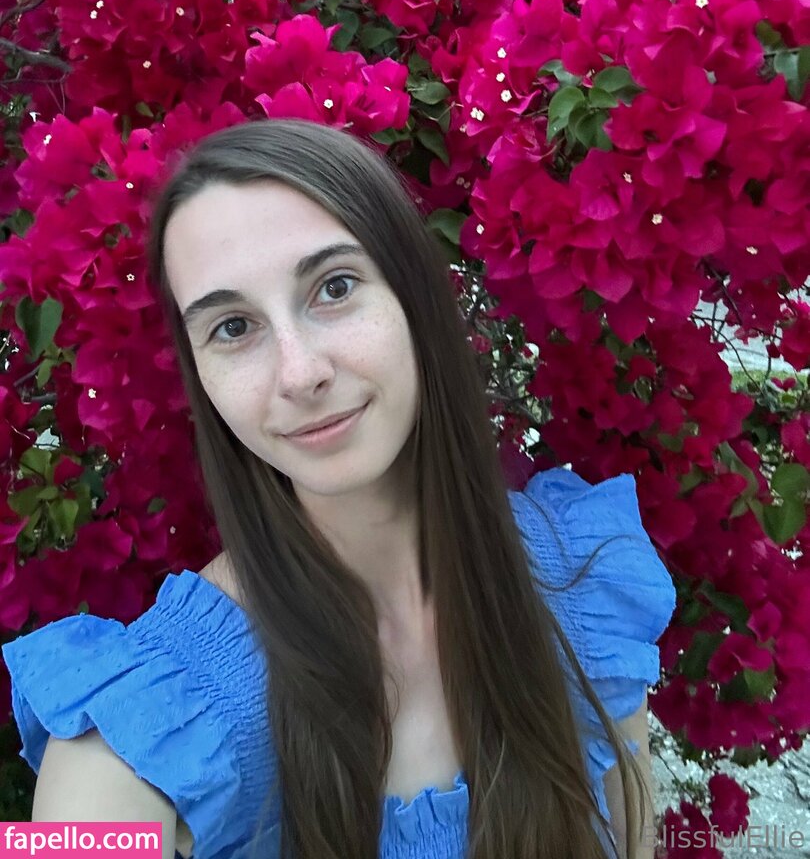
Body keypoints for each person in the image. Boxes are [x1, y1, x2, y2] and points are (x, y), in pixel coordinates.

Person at [2, 119, 677, 859]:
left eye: (335, 287)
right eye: (233, 327)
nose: (300, 374)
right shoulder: (140, 739)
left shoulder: (581, 582)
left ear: (415, 297)